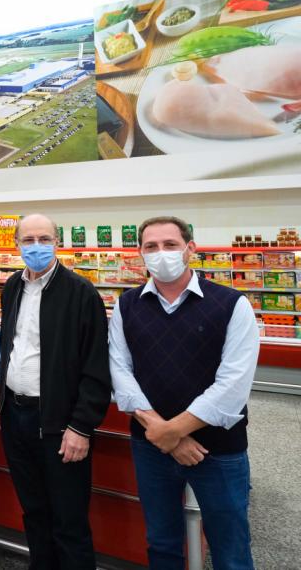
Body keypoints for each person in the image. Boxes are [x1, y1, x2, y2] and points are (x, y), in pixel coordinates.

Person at [109, 216, 259, 570]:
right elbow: (120, 372)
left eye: (170, 245)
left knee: (231, 547)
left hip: (217, 449)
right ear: (140, 253)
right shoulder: (127, 305)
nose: (160, 253)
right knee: (161, 543)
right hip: (151, 447)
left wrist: (171, 432)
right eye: (151, 246)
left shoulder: (232, 304)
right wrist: (164, 434)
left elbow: (233, 385)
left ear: (190, 249)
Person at [0, 214, 111, 570]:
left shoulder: (81, 293)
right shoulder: (12, 287)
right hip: (16, 417)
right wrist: (1, 398)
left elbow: (96, 365)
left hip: (60, 423)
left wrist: (81, 426)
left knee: (68, 518)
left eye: (44, 239)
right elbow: (10, 346)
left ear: (57, 242)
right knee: (34, 510)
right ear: (16, 244)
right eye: (28, 240)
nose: (36, 246)